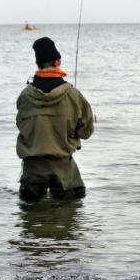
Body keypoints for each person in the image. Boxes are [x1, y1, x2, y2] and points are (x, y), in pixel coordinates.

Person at [16, 37, 94, 202]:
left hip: (32, 170)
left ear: (38, 65)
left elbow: (22, 126)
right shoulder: (74, 95)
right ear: (58, 62)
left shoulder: (24, 96)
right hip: (64, 170)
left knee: (30, 220)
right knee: (67, 218)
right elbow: (85, 133)